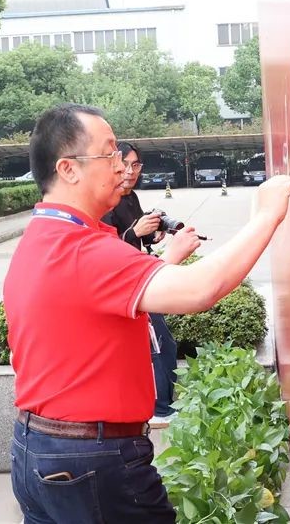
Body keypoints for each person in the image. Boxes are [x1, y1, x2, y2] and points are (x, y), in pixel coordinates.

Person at [3, 103, 290, 524]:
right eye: (109, 153)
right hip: (92, 462)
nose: (122, 167)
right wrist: (267, 215)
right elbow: (201, 289)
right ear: (68, 169)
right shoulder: (82, 249)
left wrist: (168, 258)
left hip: (37, 451)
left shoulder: (43, 237)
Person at [102, 141, 183, 426]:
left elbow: (134, 235)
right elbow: (104, 251)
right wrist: (135, 233)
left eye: (136, 165)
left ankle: (162, 404)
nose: (130, 171)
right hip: (125, 285)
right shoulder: (105, 203)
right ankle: (161, 408)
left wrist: (152, 234)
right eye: (125, 164)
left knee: (161, 343)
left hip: (137, 277)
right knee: (159, 344)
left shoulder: (130, 197)